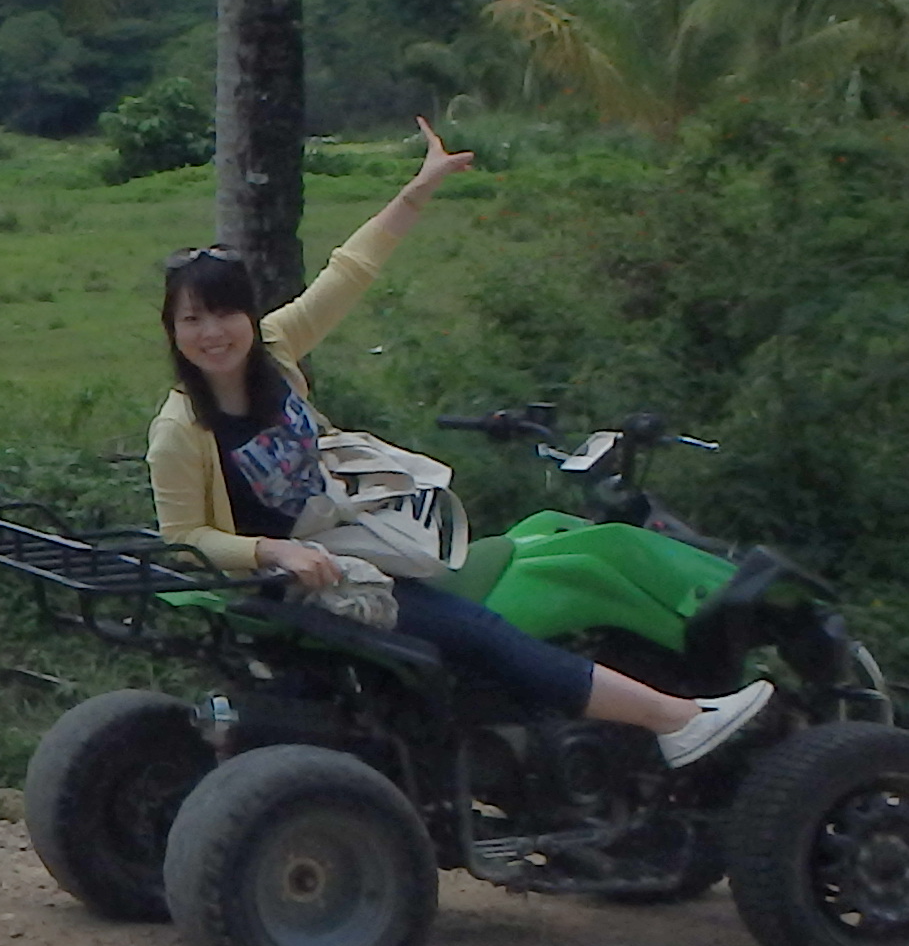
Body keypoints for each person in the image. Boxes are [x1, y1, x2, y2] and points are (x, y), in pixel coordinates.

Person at [151, 123, 772, 768]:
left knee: (514, 567)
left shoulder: (277, 351)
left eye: (224, 314)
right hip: (305, 577)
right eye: (192, 319)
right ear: (173, 330)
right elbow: (185, 534)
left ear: (249, 317)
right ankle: (675, 719)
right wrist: (271, 549)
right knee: (482, 633)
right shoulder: (181, 428)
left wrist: (417, 192)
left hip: (355, 534)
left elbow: (351, 271)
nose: (212, 333)